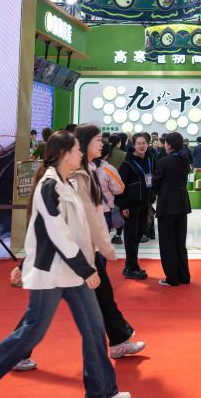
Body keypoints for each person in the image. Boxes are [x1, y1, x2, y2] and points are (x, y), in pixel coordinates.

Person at [0, 131, 130, 398]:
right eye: (76, 149)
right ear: (63, 154)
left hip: (71, 272)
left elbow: (70, 230)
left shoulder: (66, 183)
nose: (80, 153)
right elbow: (56, 232)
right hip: (52, 272)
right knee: (31, 332)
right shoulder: (48, 186)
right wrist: (85, 268)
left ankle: (103, 391)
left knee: (95, 328)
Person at [74, 125, 146, 357]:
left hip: (88, 248)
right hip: (71, 251)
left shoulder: (92, 169)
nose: (102, 144)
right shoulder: (74, 173)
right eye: (97, 140)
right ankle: (15, 353)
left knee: (104, 297)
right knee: (40, 313)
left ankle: (118, 341)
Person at [152, 131, 191, 286]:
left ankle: (172, 278)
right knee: (180, 243)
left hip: (167, 205)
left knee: (167, 243)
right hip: (182, 205)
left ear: (169, 145)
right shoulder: (184, 159)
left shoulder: (164, 161)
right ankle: (184, 276)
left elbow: (156, 184)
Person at [116, 132, 154, 280]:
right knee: (131, 236)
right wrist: (123, 205)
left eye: (144, 143)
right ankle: (132, 268)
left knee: (138, 235)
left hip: (145, 204)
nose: (141, 146)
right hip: (131, 206)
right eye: (138, 143)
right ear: (134, 144)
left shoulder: (150, 159)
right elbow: (120, 185)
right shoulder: (127, 163)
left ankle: (130, 265)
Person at [96, 142, 125, 245]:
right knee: (103, 241)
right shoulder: (108, 169)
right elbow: (119, 189)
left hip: (86, 209)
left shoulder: (84, 167)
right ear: (107, 154)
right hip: (105, 209)